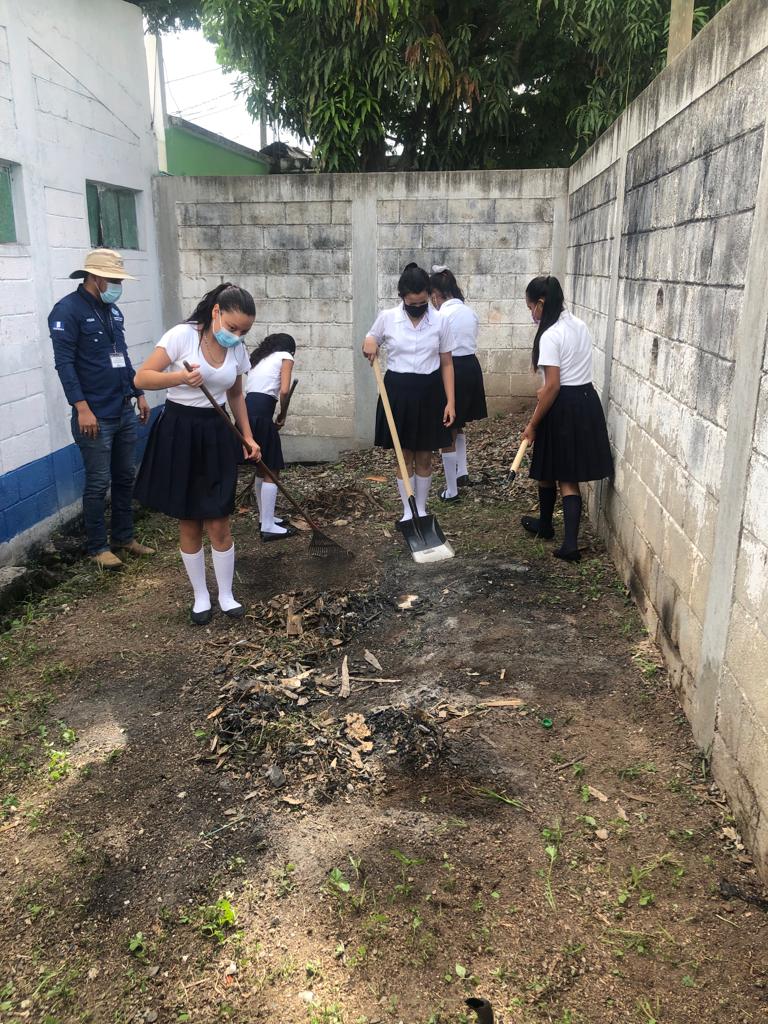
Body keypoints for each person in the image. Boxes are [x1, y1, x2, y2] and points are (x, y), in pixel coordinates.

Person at [133, 283, 261, 624]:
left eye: (244, 331)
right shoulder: (182, 336)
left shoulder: (237, 349)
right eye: (233, 327)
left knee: (219, 518)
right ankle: (200, 596)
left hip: (216, 431)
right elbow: (142, 378)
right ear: (216, 312)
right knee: (189, 519)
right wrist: (179, 377)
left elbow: (236, 395)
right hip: (180, 431)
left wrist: (248, 437)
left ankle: (226, 595)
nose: (237, 336)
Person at [49, 248, 154, 569]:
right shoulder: (67, 311)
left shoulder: (112, 311)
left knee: (125, 477)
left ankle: (124, 537)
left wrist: (138, 393)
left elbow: (122, 354)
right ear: (94, 277)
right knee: (98, 483)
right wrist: (81, 407)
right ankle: (98, 547)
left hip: (122, 408)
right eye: (113, 279)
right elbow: (64, 364)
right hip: (94, 414)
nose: (117, 286)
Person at [521, 275, 613, 562]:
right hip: (585, 399)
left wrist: (533, 424)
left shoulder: (551, 335)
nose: (532, 314)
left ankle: (570, 545)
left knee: (565, 476)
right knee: (550, 466)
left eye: (531, 308)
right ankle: (545, 524)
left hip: (563, 405)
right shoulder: (579, 324)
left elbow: (553, 386)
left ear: (541, 303)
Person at [362, 262, 455, 521]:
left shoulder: (440, 321)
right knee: (403, 455)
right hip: (398, 392)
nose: (418, 307)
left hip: (430, 392)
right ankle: (407, 511)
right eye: (412, 303)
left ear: (429, 295)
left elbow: (447, 363)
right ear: (402, 297)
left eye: (423, 302)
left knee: (425, 455)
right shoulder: (387, 317)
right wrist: (369, 342)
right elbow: (371, 339)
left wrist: (451, 401)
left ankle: (421, 510)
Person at [429, 266, 487, 500]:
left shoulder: (441, 316)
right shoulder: (468, 311)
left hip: (453, 369)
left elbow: (437, 349)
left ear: (435, 295)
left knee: (447, 428)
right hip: (471, 367)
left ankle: (451, 490)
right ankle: (462, 473)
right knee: (458, 424)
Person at [245, 332, 299, 541]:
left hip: (247, 414)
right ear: (290, 349)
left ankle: (265, 517)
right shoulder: (286, 356)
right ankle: (268, 526)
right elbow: (284, 391)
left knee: (262, 467)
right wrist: (283, 413)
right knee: (272, 468)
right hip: (262, 414)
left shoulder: (260, 359)